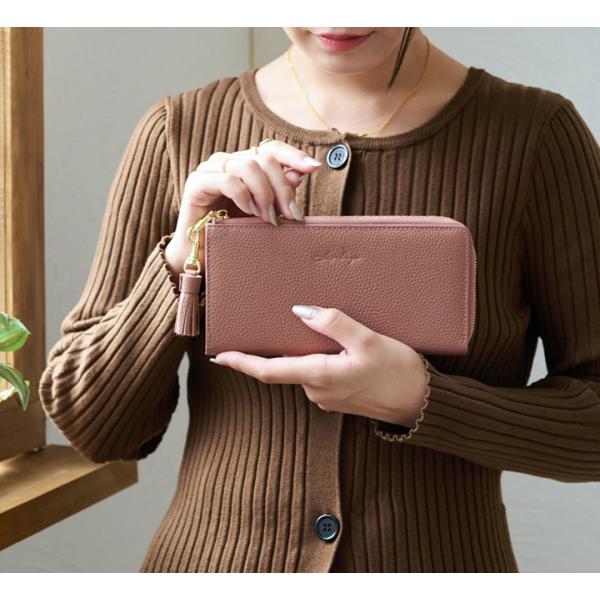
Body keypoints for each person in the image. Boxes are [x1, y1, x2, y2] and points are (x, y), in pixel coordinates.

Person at [39, 27, 600, 573]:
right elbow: (93, 426)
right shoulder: (177, 130)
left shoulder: (538, 135)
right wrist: (185, 253)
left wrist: (420, 400)